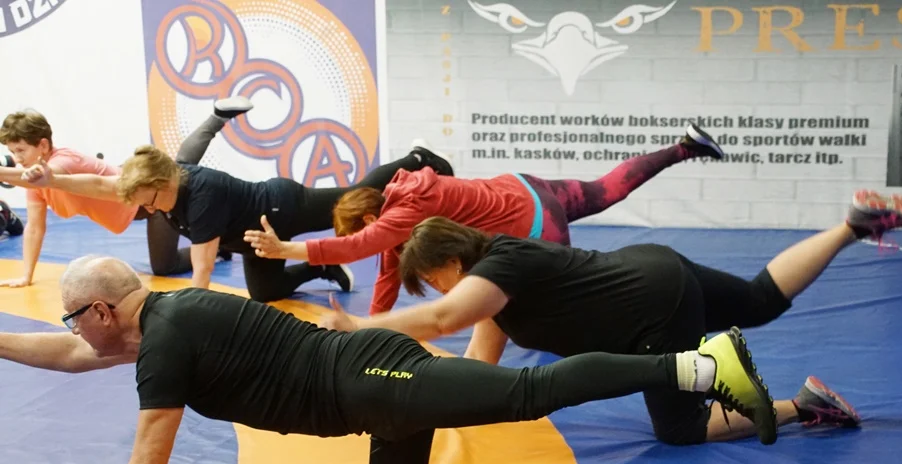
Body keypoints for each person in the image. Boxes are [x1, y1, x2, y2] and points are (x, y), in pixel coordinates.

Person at [1, 255, 775, 464]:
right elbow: (72, 355)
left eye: (73, 317)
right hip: (368, 392)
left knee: (526, 390)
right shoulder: (166, 316)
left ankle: (695, 367)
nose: (73, 331)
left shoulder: (164, 344)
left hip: (375, 381)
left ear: (101, 309)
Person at [317, 189, 902, 446]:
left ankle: (804, 404)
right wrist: (412, 399)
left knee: (681, 431)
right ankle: (851, 227)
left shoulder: (498, 269)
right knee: (757, 300)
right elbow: (479, 367)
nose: (435, 290)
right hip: (653, 270)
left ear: (451, 263)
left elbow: (442, 319)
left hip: (651, 309)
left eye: (432, 280)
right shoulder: (500, 284)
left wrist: (361, 329)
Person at [244, 124, 725, 314]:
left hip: (535, 226)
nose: (369, 239)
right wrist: (371, 332)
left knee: (559, 295)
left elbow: (355, 248)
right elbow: (387, 274)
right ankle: (684, 147)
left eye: (365, 229)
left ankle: (640, 303)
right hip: (525, 188)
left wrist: (287, 249)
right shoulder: (399, 204)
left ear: (371, 215)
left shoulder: (404, 212)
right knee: (604, 190)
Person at [23, 142, 455, 302]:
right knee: (265, 292)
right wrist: (53, 179)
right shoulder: (159, 182)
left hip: (282, 207)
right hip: (253, 236)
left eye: (147, 202)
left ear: (160, 185)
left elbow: (202, 273)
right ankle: (322, 268)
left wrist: (187, 320)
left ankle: (416, 158)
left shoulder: (201, 198)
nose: (146, 210)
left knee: (355, 198)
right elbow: (102, 186)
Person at [0, 98, 251, 284]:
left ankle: (220, 247)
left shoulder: (61, 162)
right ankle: (216, 118)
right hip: (134, 190)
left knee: (165, 265)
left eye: (20, 150)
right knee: (181, 166)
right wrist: (26, 275)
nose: (17, 158)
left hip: (150, 202)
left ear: (43, 145)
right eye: (12, 152)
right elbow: (35, 227)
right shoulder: (35, 178)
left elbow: (50, 177)